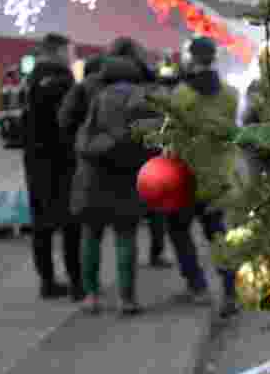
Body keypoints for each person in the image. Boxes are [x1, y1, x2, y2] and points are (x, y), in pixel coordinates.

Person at [69, 44, 158, 316]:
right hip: (129, 177)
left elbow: (81, 135)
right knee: (126, 237)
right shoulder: (146, 99)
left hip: (94, 175)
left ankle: (92, 296)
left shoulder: (97, 96)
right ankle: (127, 299)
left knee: (91, 236)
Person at [165, 37, 243, 318]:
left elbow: (171, 137)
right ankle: (230, 291)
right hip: (218, 177)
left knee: (179, 230)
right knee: (218, 235)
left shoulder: (181, 94)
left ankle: (197, 285)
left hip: (186, 176)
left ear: (192, 58)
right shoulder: (231, 95)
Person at [22, 32, 82, 301]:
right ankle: (77, 283)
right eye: (70, 52)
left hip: (35, 160)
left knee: (41, 224)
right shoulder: (65, 80)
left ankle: (47, 282)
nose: (72, 57)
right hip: (63, 160)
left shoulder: (29, 79)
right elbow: (72, 119)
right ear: (58, 51)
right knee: (71, 225)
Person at [105, 38, 171, 268]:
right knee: (154, 205)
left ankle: (127, 261)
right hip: (148, 145)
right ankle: (156, 251)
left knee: (126, 213)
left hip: (118, 148)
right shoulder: (147, 77)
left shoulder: (106, 76)